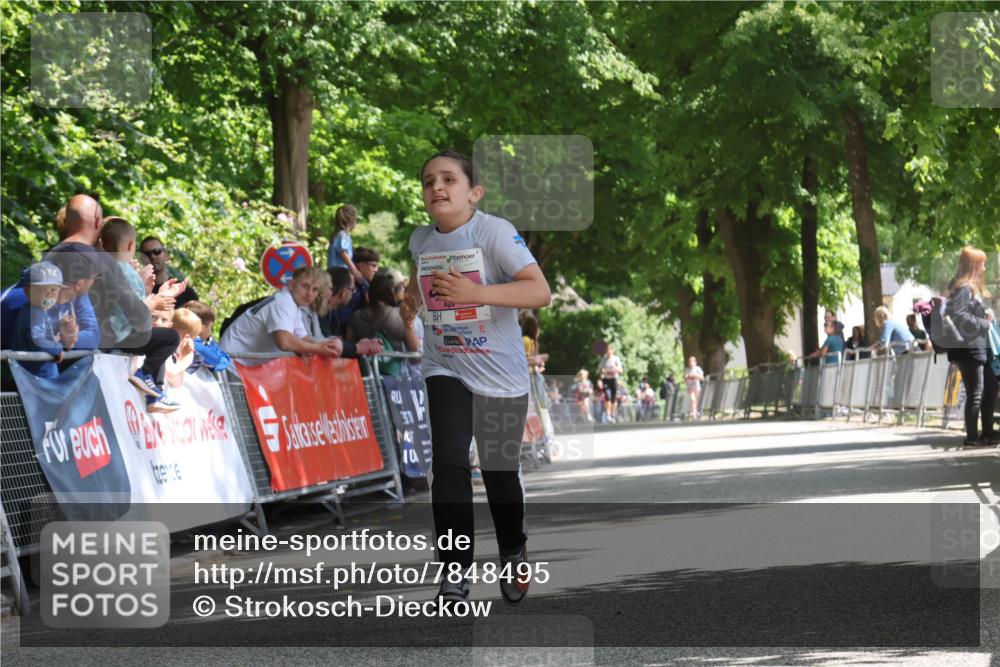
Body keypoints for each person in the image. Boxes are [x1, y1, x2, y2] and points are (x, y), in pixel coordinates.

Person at [406, 150, 551, 608]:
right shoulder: (420, 239)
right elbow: (420, 281)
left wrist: (477, 293)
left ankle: (512, 548)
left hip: (499, 372)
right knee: (448, 464)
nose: (437, 188)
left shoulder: (495, 231)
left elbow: (539, 291)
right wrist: (412, 301)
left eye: (449, 179)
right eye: (429, 181)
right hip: (444, 363)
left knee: (498, 472)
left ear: (474, 192)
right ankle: (454, 574)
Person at [48, 195, 180, 411]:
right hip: (89, 357)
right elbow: (137, 316)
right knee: (169, 336)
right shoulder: (100, 261)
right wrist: (152, 300)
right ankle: (148, 379)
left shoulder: (51, 256)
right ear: (98, 225)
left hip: (57, 354)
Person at [220, 266, 344, 363]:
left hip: (236, 362)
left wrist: (328, 345)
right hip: (231, 364)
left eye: (315, 289)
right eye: (305, 286)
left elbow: (305, 339)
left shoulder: (293, 304)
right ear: (291, 284)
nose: (309, 293)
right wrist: (318, 349)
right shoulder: (284, 302)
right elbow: (285, 341)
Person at [944, 246, 997, 448]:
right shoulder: (964, 288)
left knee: (990, 386)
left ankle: (988, 433)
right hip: (969, 348)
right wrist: (985, 323)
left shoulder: (966, 288)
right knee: (976, 391)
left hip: (976, 347)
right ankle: (972, 437)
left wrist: (983, 315)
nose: (984, 267)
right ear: (973, 265)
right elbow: (959, 315)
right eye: (982, 263)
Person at [11, 262, 69, 379]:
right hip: (38, 378)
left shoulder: (31, 310)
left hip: (29, 376)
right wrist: (57, 349)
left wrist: (56, 332)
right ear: (27, 291)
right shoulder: (36, 312)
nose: (49, 295)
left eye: (53, 290)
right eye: (41, 290)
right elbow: (36, 340)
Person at [348, 272, 420, 353]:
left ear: (369, 293)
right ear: (390, 292)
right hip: (394, 364)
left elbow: (349, 346)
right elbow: (415, 353)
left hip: (364, 364)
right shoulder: (400, 315)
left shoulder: (357, 316)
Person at [329, 246, 378, 337]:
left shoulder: (365, 285)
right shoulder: (347, 282)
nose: (376, 270)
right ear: (361, 266)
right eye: (374, 266)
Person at [139, 236, 198, 309]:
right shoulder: (137, 292)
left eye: (157, 251)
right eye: (147, 254)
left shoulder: (186, 292)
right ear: (141, 258)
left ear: (166, 255)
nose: (152, 256)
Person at [183, 301, 232, 373]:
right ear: (202, 328)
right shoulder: (197, 346)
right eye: (210, 327)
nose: (211, 332)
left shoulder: (204, 342)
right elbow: (217, 360)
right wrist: (223, 359)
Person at [164, 308, 202, 389]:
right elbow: (170, 373)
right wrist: (187, 361)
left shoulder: (174, 352)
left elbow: (176, 384)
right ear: (186, 337)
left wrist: (181, 357)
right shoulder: (165, 347)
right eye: (193, 338)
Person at [326, 204, 361, 281]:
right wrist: (354, 270)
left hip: (333, 274)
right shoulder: (343, 235)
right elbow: (343, 253)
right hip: (340, 275)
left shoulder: (337, 235)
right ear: (352, 220)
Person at [599, 344, 624, 423]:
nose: (608, 351)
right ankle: (608, 414)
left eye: (609, 350)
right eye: (606, 350)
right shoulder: (604, 359)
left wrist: (614, 367)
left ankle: (613, 414)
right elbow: (600, 370)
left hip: (614, 379)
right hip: (606, 380)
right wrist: (602, 374)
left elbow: (621, 370)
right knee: (607, 396)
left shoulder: (616, 359)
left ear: (612, 350)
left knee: (613, 398)